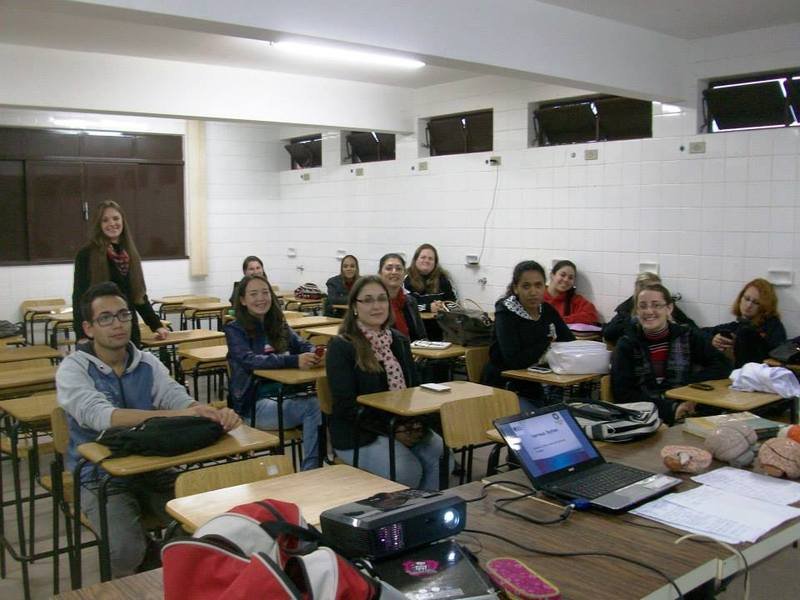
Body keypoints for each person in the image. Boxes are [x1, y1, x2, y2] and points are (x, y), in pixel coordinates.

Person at [56, 282, 241, 578]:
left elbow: (177, 398)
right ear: (89, 328)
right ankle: (145, 566)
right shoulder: (74, 368)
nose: (117, 324)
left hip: (153, 467)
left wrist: (207, 413)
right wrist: (179, 413)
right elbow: (102, 416)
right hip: (98, 475)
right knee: (125, 550)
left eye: (123, 315)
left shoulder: (147, 363)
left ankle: (163, 560)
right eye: (106, 318)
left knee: (206, 519)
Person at [325, 275, 448, 489]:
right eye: (368, 300)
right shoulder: (341, 346)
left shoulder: (398, 341)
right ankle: (400, 518)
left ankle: (425, 515)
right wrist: (394, 430)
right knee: (406, 469)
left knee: (441, 456)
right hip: (360, 433)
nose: (377, 306)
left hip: (401, 425)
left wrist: (416, 424)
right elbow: (347, 406)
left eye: (382, 299)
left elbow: (413, 391)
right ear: (355, 306)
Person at [225, 274, 321, 471]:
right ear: (242, 300)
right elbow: (249, 360)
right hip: (254, 405)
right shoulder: (235, 329)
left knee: (325, 400)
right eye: (253, 294)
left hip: (287, 395)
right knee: (314, 407)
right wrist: (293, 360)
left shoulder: (277, 322)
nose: (261, 298)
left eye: (265, 292)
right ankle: (311, 470)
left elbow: (301, 344)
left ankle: (317, 464)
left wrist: (314, 353)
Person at [611, 283, 731, 425]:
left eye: (656, 305)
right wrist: (670, 409)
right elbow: (623, 394)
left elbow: (723, 366)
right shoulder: (627, 344)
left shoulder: (688, 336)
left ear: (669, 308)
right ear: (636, 311)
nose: (649, 311)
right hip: (645, 417)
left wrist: (689, 386)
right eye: (642, 306)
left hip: (689, 407)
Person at [72, 201, 169, 347]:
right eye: (105, 220)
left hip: (128, 328)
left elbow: (138, 296)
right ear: (98, 225)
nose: (112, 223)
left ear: (122, 221)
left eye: (116, 218)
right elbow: (79, 296)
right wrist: (81, 334)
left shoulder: (129, 253)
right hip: (102, 329)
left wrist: (156, 325)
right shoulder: (86, 254)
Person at [482, 260, 574, 411]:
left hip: (537, 385)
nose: (533, 292)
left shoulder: (547, 310)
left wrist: (550, 345)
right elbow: (514, 361)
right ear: (516, 288)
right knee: (536, 420)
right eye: (526, 286)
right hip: (505, 387)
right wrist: (548, 342)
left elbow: (569, 342)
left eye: (538, 285)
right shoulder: (506, 313)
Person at [704, 278, 786, 368]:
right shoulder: (736, 326)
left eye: (756, 303)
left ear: (764, 306)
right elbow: (702, 332)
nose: (749, 305)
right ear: (740, 299)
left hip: (759, 374)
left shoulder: (773, 327)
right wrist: (713, 340)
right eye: (747, 299)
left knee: (745, 333)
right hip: (735, 373)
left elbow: (777, 356)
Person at [603, 272, 697, 344]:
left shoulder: (666, 305)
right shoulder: (626, 310)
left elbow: (691, 327)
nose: (649, 311)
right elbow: (609, 333)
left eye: (658, 288)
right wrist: (632, 323)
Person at [404, 243, 457, 340]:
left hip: (442, 327)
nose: (426, 261)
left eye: (430, 258)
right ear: (416, 260)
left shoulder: (443, 278)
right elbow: (406, 307)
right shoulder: (406, 279)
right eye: (423, 257)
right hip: (415, 328)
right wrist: (428, 307)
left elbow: (454, 303)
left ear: (435, 263)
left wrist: (443, 306)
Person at [379, 253, 426, 342]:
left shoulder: (410, 301)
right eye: (389, 268)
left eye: (398, 269)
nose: (394, 272)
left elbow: (422, 336)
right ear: (380, 273)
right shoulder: (374, 304)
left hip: (415, 352)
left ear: (404, 273)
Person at [543, 260, 600, 325]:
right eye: (562, 275)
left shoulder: (575, 300)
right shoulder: (538, 295)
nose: (566, 280)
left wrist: (561, 320)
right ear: (552, 275)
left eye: (570, 278)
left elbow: (591, 316)